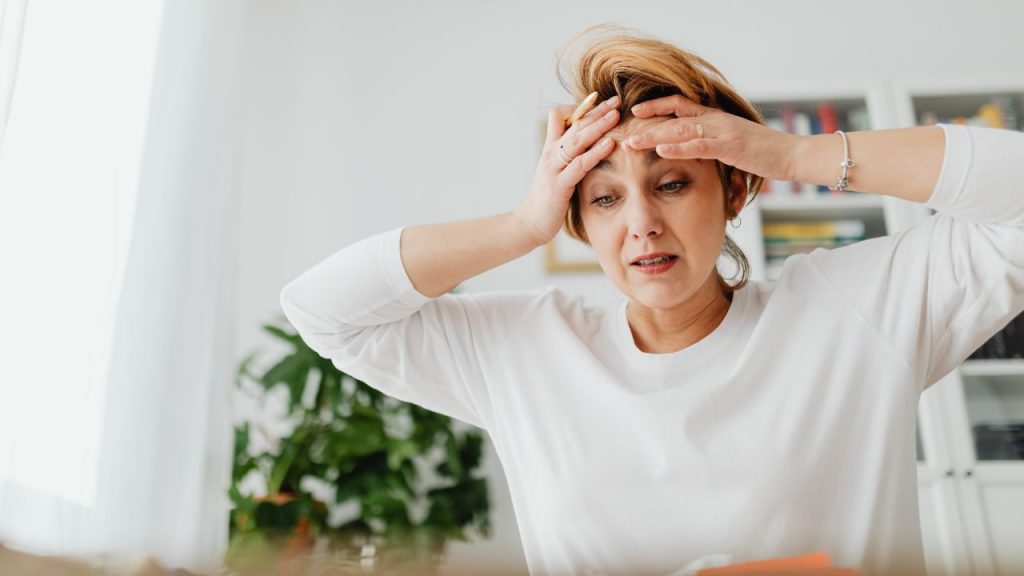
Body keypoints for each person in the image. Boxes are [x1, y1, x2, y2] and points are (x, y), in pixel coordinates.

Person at [279, 25, 1024, 576]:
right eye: (603, 199)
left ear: (731, 187)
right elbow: (322, 309)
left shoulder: (852, 312)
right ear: (578, 221)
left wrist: (788, 153)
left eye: (671, 183)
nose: (642, 224)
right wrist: (521, 225)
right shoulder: (524, 350)